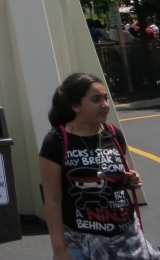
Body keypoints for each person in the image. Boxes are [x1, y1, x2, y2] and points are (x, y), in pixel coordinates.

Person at [39, 72, 159, 260]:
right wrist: (59, 250)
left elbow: (120, 175)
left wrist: (130, 179)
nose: (104, 105)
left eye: (106, 98)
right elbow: (52, 199)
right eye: (96, 99)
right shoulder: (57, 141)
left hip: (127, 241)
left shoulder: (113, 134)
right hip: (81, 244)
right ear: (75, 105)